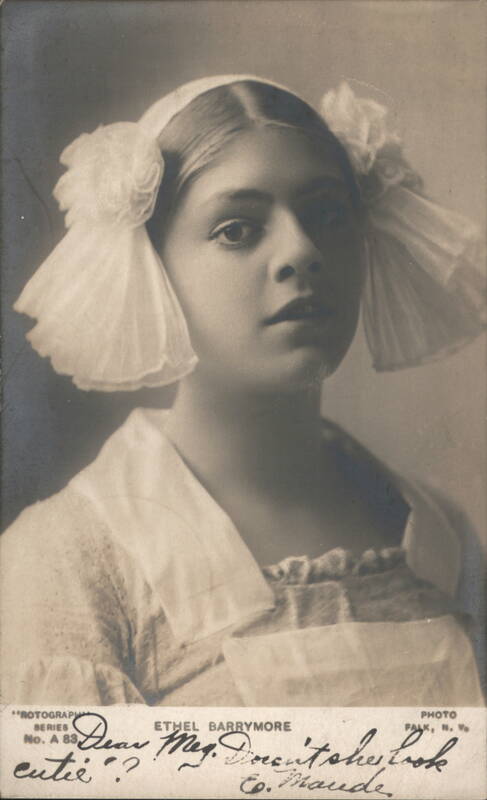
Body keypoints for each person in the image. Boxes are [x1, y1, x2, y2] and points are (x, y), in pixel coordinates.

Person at [1, 75, 485, 706]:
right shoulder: (66, 561)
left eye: (327, 215)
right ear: (153, 270)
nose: (302, 251)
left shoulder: (438, 534)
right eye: (237, 229)